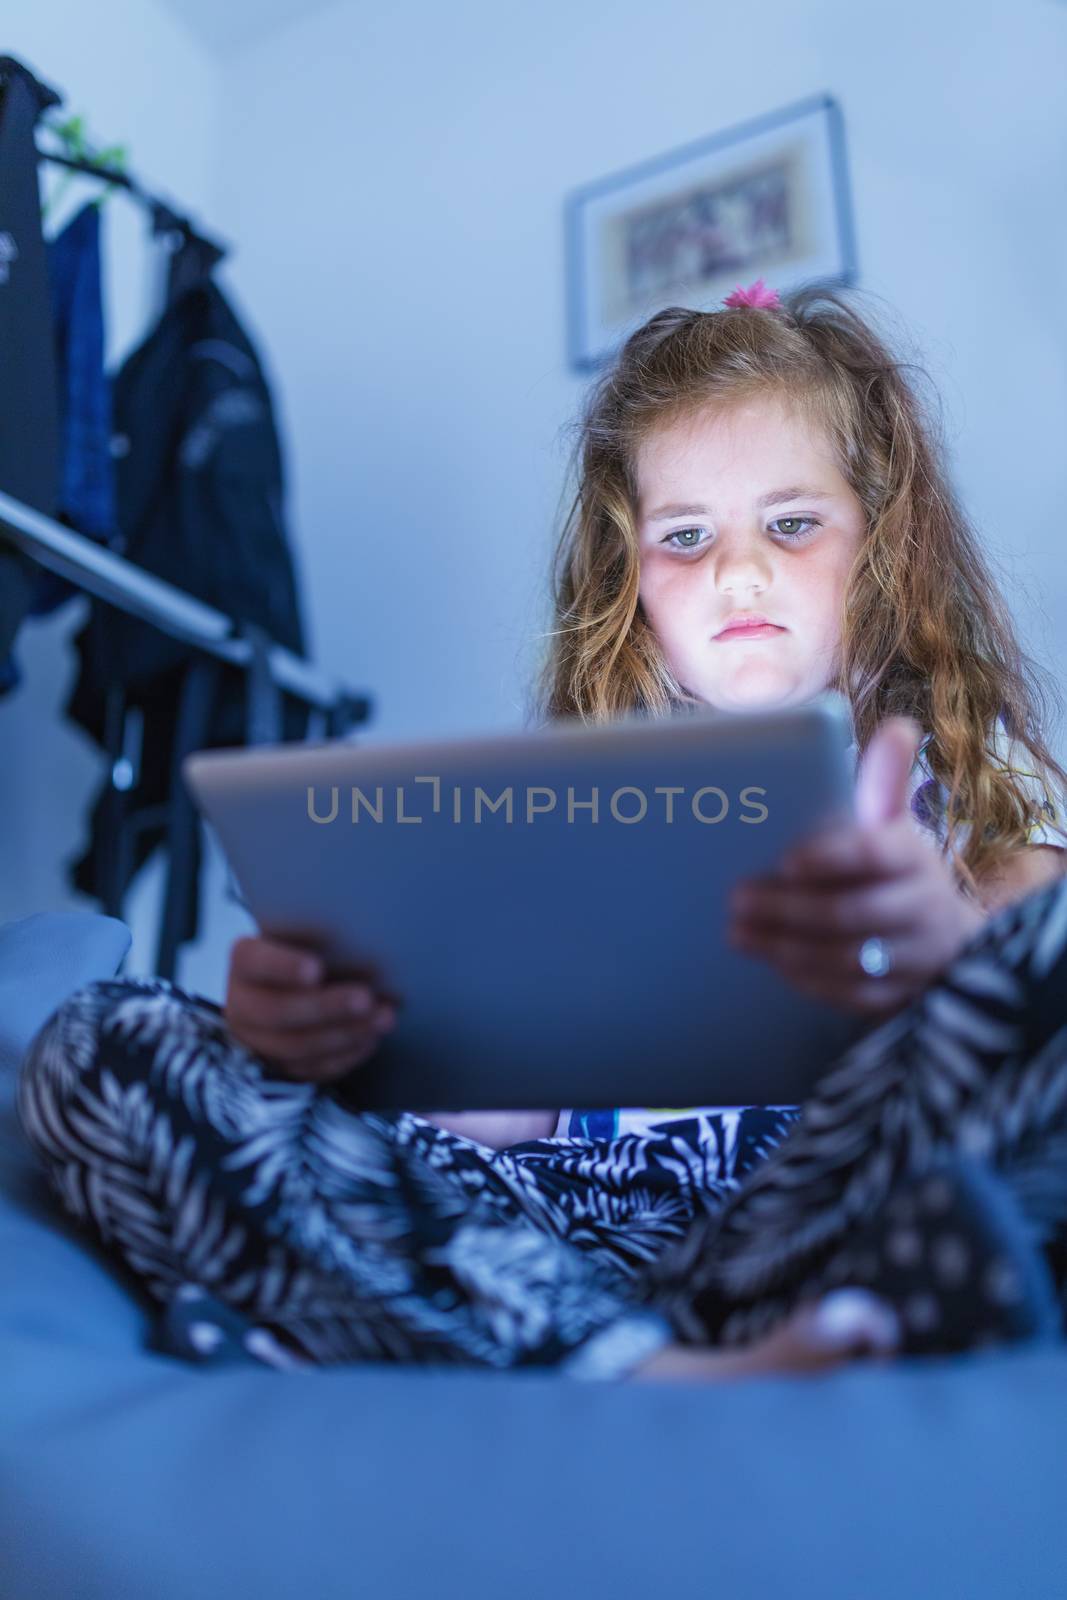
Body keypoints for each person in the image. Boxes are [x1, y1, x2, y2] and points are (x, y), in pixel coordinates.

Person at [16, 279, 1067, 1382]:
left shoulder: (970, 788)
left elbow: (1024, 1008)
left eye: (792, 524)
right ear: (634, 591)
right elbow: (500, 1121)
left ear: (882, 551)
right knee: (100, 1040)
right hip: (537, 1250)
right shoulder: (566, 808)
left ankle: (384, 1336)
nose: (736, 569)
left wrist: (939, 956)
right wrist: (345, 1041)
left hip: (806, 1223)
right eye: (684, 536)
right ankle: (629, 1369)